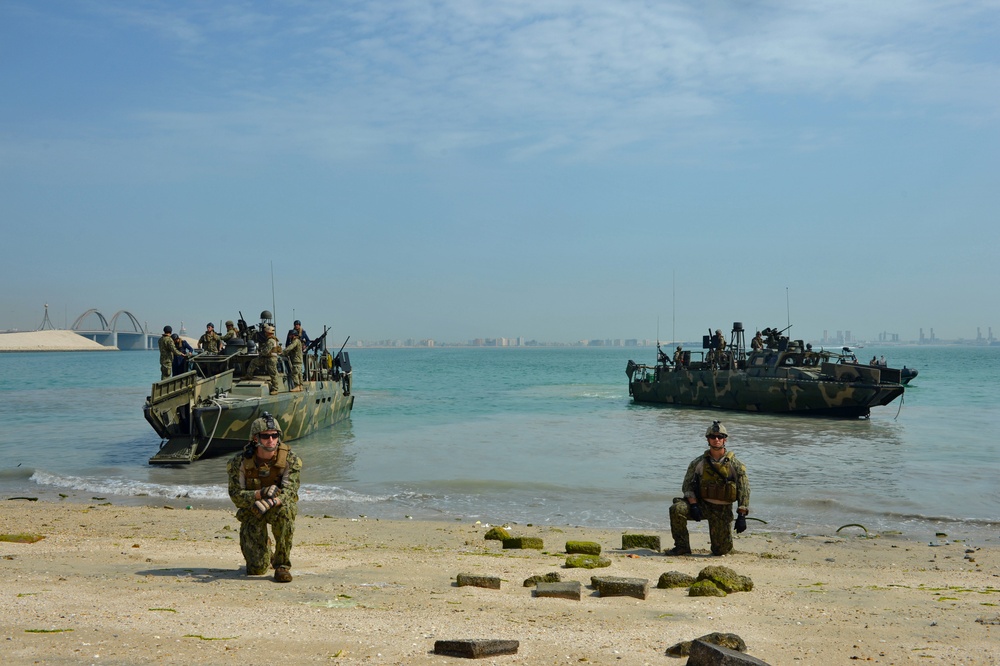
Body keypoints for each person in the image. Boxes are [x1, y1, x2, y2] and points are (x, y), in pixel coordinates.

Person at [226, 413, 302, 583]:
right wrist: (260, 493)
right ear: (255, 438)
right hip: (253, 511)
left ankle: (282, 565)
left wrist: (270, 501)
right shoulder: (240, 462)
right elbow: (236, 496)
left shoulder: (290, 459)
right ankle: (266, 549)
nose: (271, 440)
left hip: (276, 507)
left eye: (275, 435)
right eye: (266, 436)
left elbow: (290, 492)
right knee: (256, 569)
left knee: (286, 510)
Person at [666, 421, 750, 557]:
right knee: (676, 509)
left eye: (720, 437)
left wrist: (742, 514)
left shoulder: (735, 465)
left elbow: (744, 490)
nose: (716, 440)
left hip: (722, 511)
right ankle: (681, 547)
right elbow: (687, 486)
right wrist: (693, 505)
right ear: (708, 439)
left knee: (721, 551)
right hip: (702, 505)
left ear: (725, 439)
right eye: (713, 437)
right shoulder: (698, 463)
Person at [247, 324, 282, 394]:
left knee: (273, 373)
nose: (265, 333)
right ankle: (249, 375)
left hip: (271, 358)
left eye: (266, 332)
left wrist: (260, 353)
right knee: (254, 362)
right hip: (266, 358)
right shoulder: (269, 339)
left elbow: (266, 351)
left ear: (268, 333)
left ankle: (275, 389)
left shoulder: (271, 340)